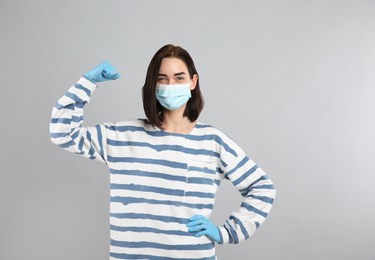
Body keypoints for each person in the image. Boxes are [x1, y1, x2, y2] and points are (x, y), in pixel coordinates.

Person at [50, 44, 276, 260]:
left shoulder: (213, 142)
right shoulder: (123, 136)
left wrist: (226, 232)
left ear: (192, 82)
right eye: (162, 79)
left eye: (179, 78)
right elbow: (63, 133)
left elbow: (262, 189)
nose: (170, 85)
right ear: (152, 85)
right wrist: (87, 83)